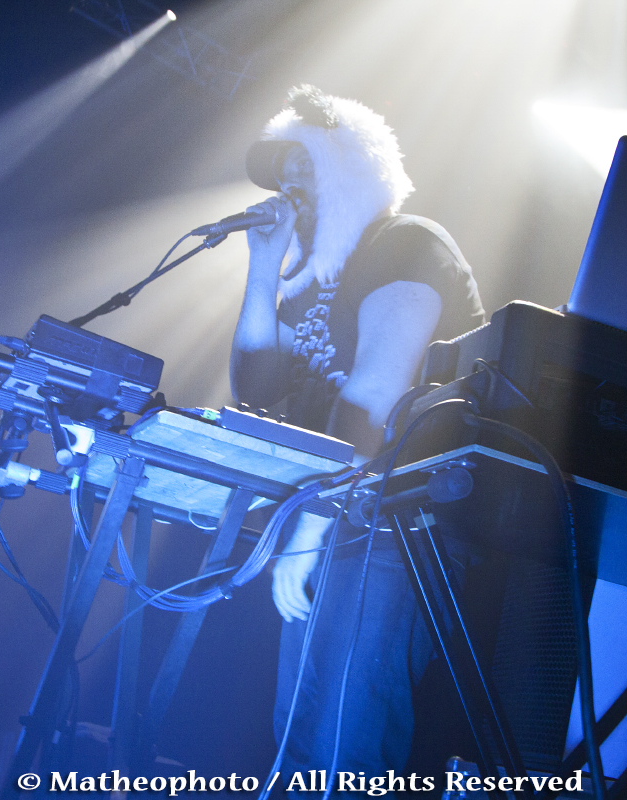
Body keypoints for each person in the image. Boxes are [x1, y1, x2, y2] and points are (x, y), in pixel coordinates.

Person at [229, 87, 485, 788]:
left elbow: (376, 397)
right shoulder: (317, 281)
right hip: (334, 517)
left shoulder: (408, 244)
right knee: (296, 744)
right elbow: (256, 388)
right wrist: (264, 267)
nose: (292, 191)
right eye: (284, 177)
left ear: (353, 170)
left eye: (306, 171)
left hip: (398, 527)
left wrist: (306, 533)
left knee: (346, 746)